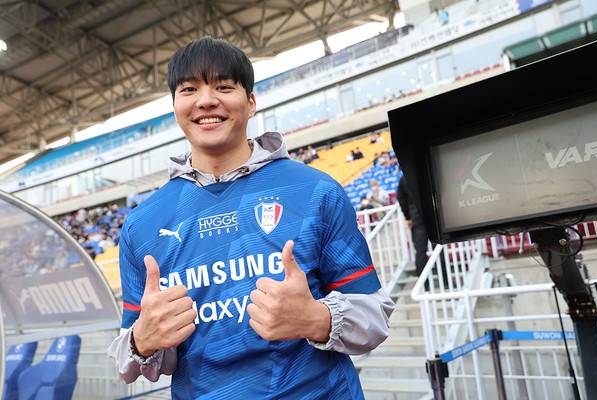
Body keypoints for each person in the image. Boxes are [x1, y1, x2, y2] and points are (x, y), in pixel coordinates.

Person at [107, 37, 394, 399]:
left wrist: (317, 319)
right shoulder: (143, 224)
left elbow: (375, 315)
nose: (206, 100)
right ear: (175, 106)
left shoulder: (315, 191)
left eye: (224, 87)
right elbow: (129, 361)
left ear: (251, 102)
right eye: (189, 89)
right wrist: (142, 340)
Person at [397, 175, 428, 277]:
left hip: (417, 217)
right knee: (438, 247)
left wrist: (408, 217)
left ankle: (424, 282)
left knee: (420, 251)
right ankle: (445, 279)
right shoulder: (427, 172)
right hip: (431, 216)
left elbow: (401, 199)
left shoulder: (405, 178)